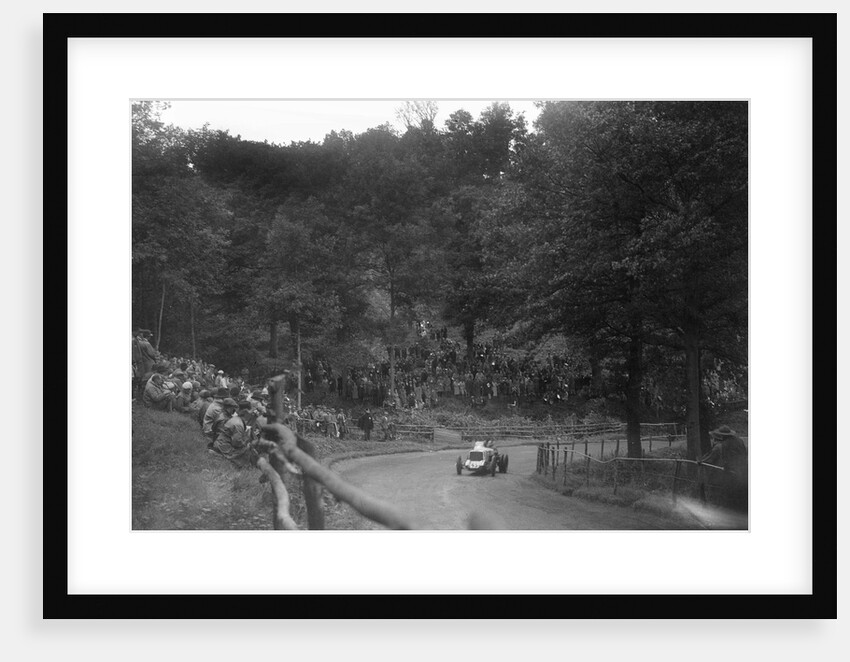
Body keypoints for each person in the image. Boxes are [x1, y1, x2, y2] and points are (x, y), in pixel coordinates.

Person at [700, 425, 748, 511]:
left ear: (721, 435)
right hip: (743, 473)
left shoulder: (721, 446)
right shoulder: (740, 441)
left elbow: (708, 459)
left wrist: (700, 461)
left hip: (729, 474)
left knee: (725, 497)